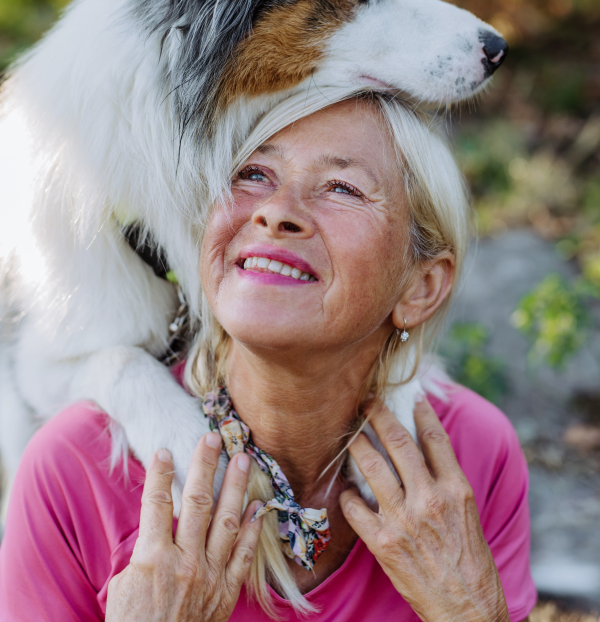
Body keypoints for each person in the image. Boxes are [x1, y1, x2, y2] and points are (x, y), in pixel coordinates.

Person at [0, 89, 537, 622]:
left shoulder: (468, 453)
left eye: (343, 187)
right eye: (253, 173)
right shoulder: (76, 468)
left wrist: (470, 612)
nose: (277, 212)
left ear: (419, 287)